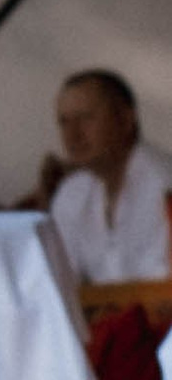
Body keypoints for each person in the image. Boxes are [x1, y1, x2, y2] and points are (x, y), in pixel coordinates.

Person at [40, 68, 172, 284]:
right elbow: (58, 280)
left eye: (85, 118)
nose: (72, 135)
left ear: (126, 119)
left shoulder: (165, 182)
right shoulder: (71, 193)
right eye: (63, 122)